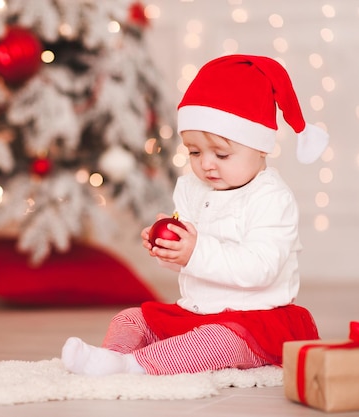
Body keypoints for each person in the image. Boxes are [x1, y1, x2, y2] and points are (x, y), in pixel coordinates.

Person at [61, 54, 328, 376]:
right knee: (130, 317)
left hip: (253, 320)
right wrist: (169, 249)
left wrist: (195, 250)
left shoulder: (271, 197)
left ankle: (134, 366)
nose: (206, 164)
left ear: (261, 148)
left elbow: (261, 269)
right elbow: (188, 261)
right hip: (196, 312)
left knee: (216, 340)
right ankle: (110, 357)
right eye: (195, 152)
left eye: (222, 153)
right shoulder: (191, 188)